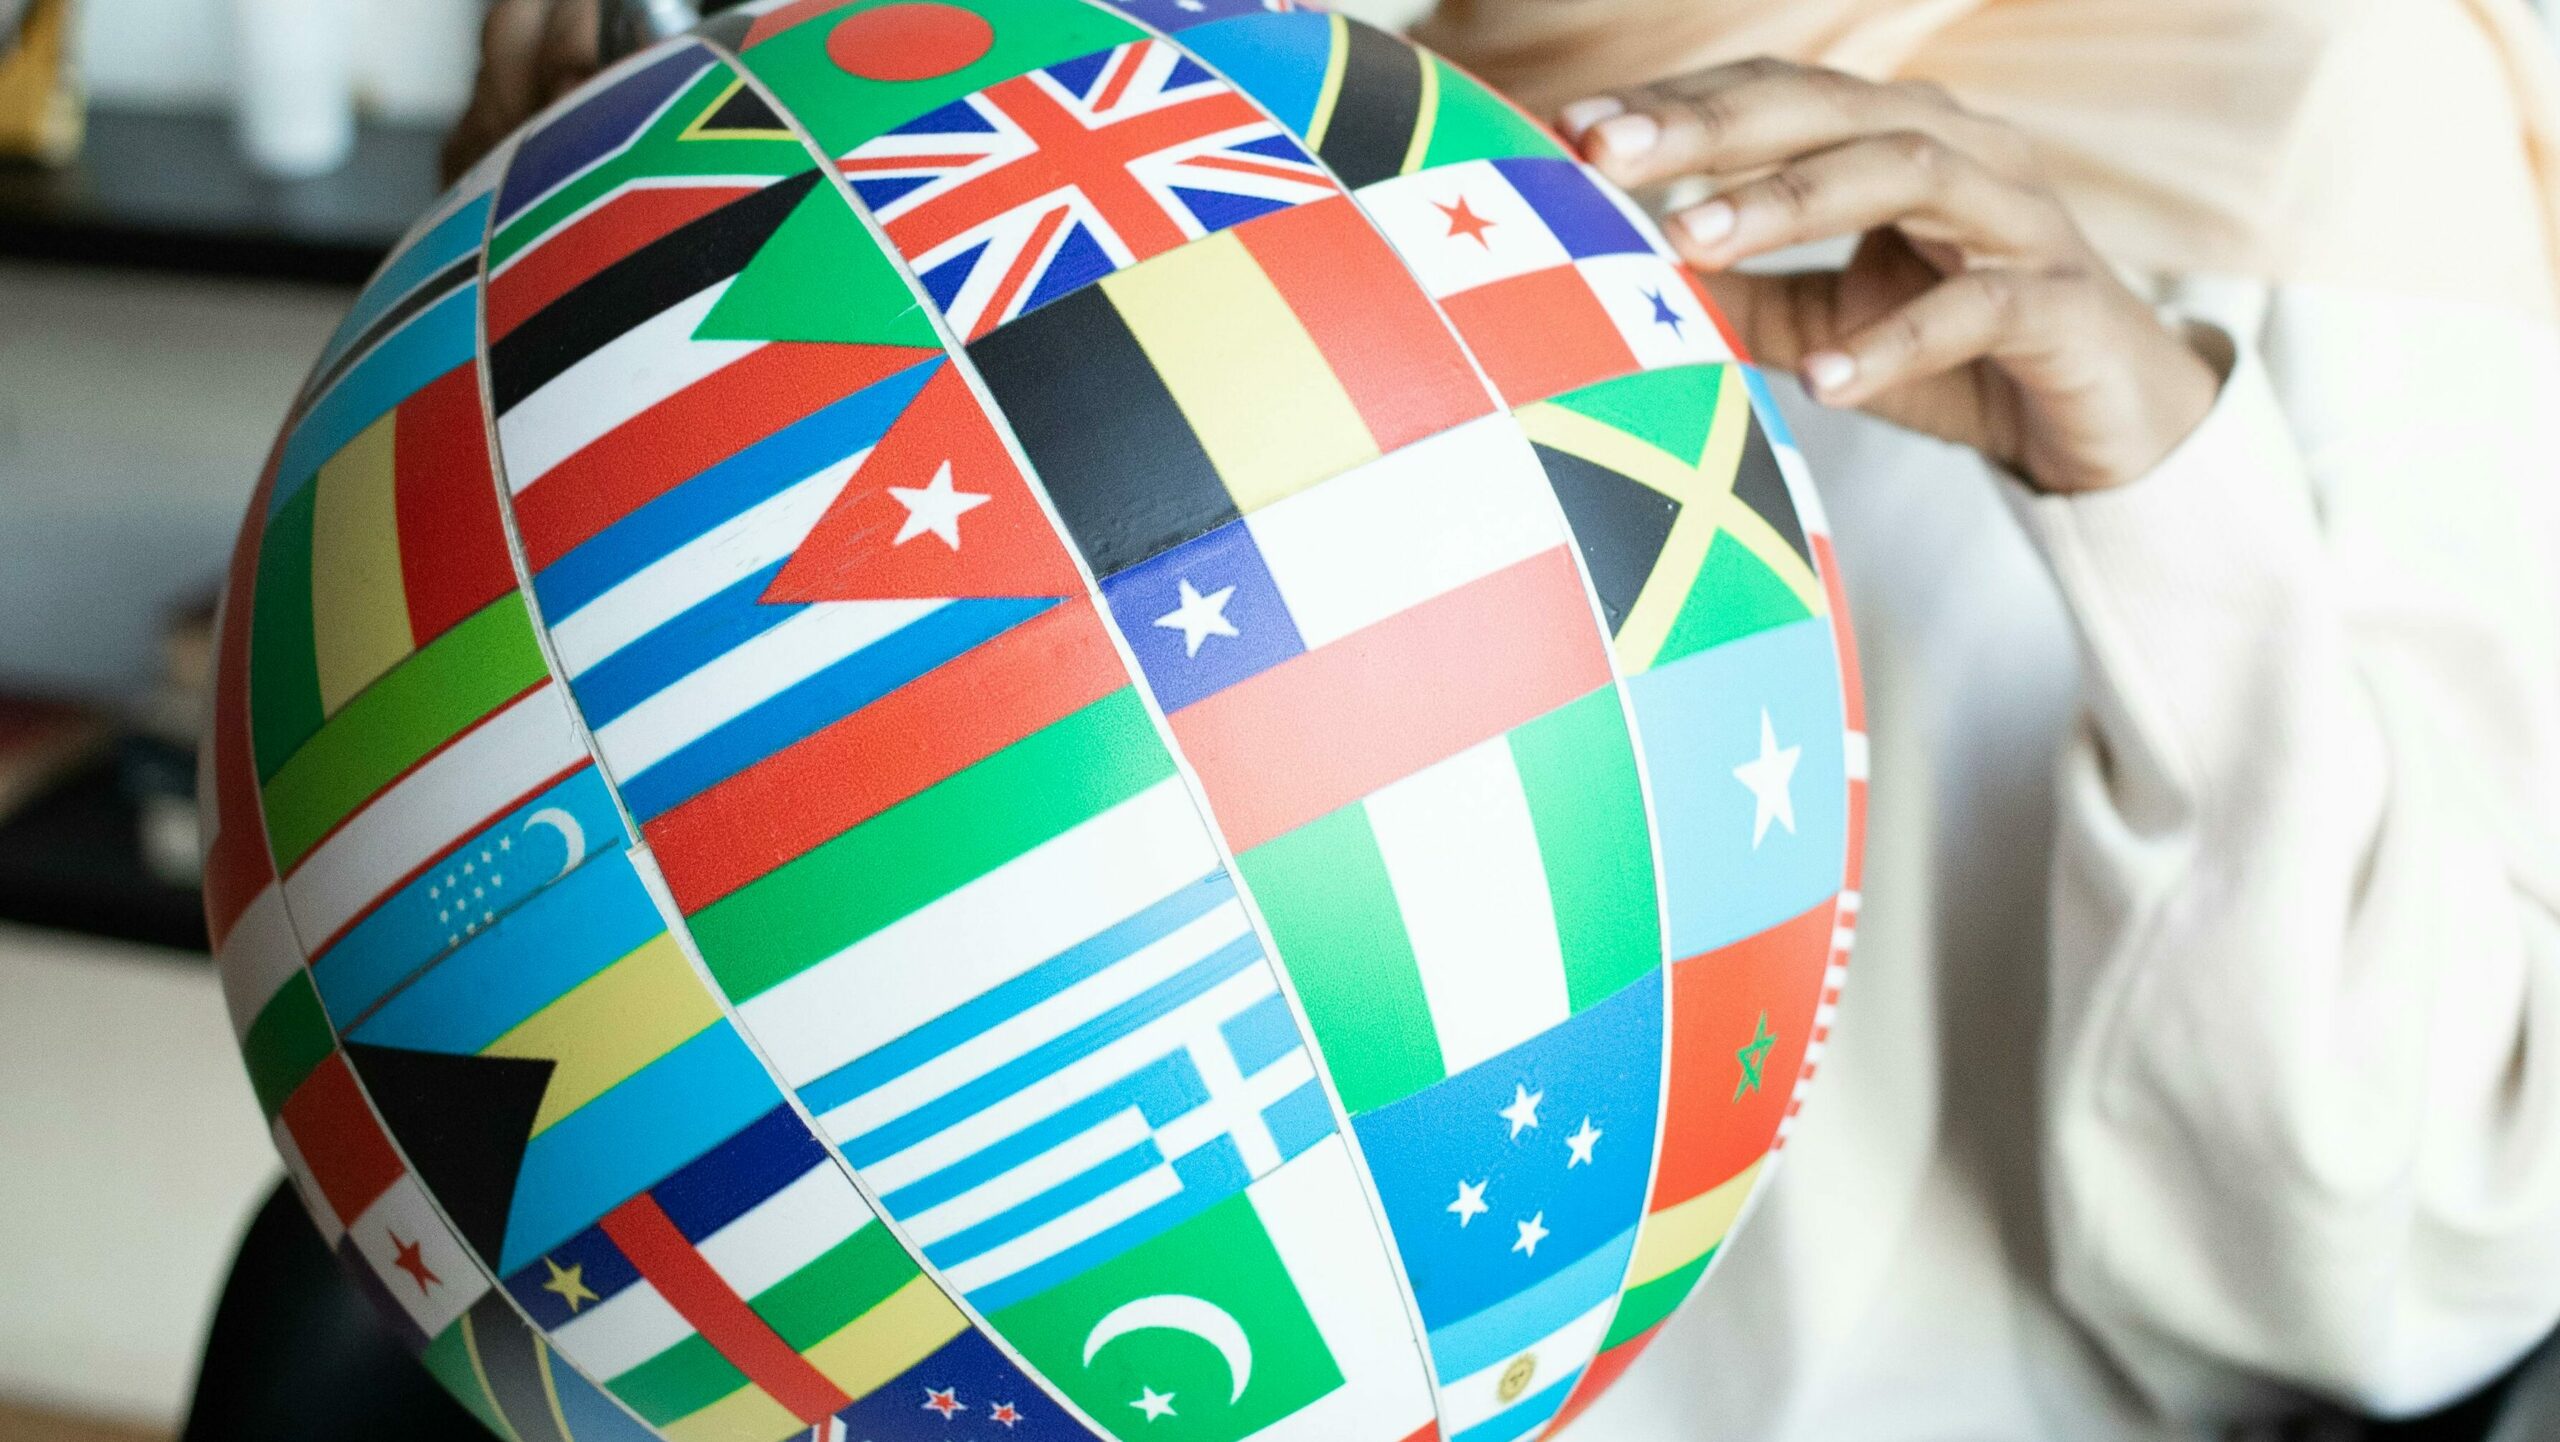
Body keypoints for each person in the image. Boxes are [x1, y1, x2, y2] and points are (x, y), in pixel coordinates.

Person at [443, 1, 2560, 1437]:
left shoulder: (2318, 98)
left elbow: (2368, 1269)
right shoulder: (1087, 84)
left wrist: (2159, 479)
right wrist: (525, 409)